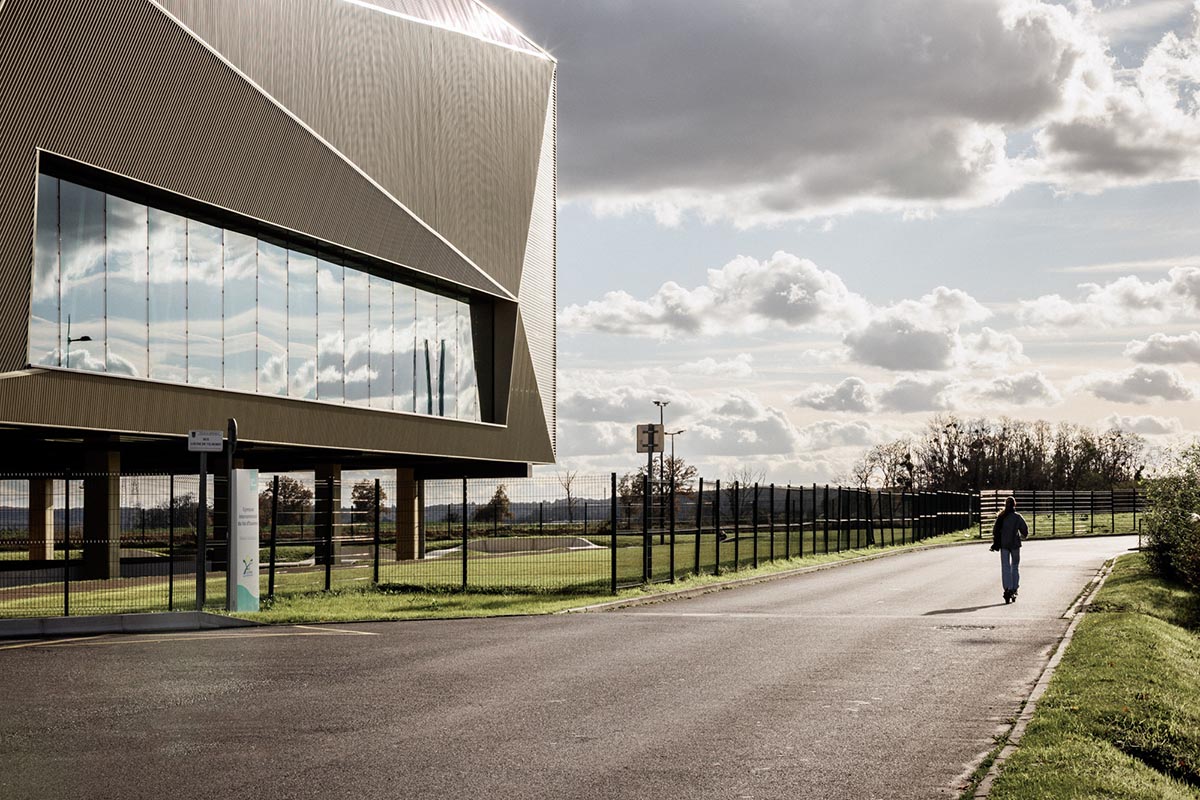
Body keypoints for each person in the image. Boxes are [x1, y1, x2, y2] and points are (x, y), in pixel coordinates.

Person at [990, 495, 1030, 604]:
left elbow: (995, 531)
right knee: (1015, 566)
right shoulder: (1018, 517)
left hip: (1004, 545)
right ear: (1014, 505)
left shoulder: (1001, 517)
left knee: (1005, 567)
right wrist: (1021, 536)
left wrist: (997, 542)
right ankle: (1014, 588)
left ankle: (1007, 588)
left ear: (1005, 505)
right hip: (1015, 545)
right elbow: (1025, 532)